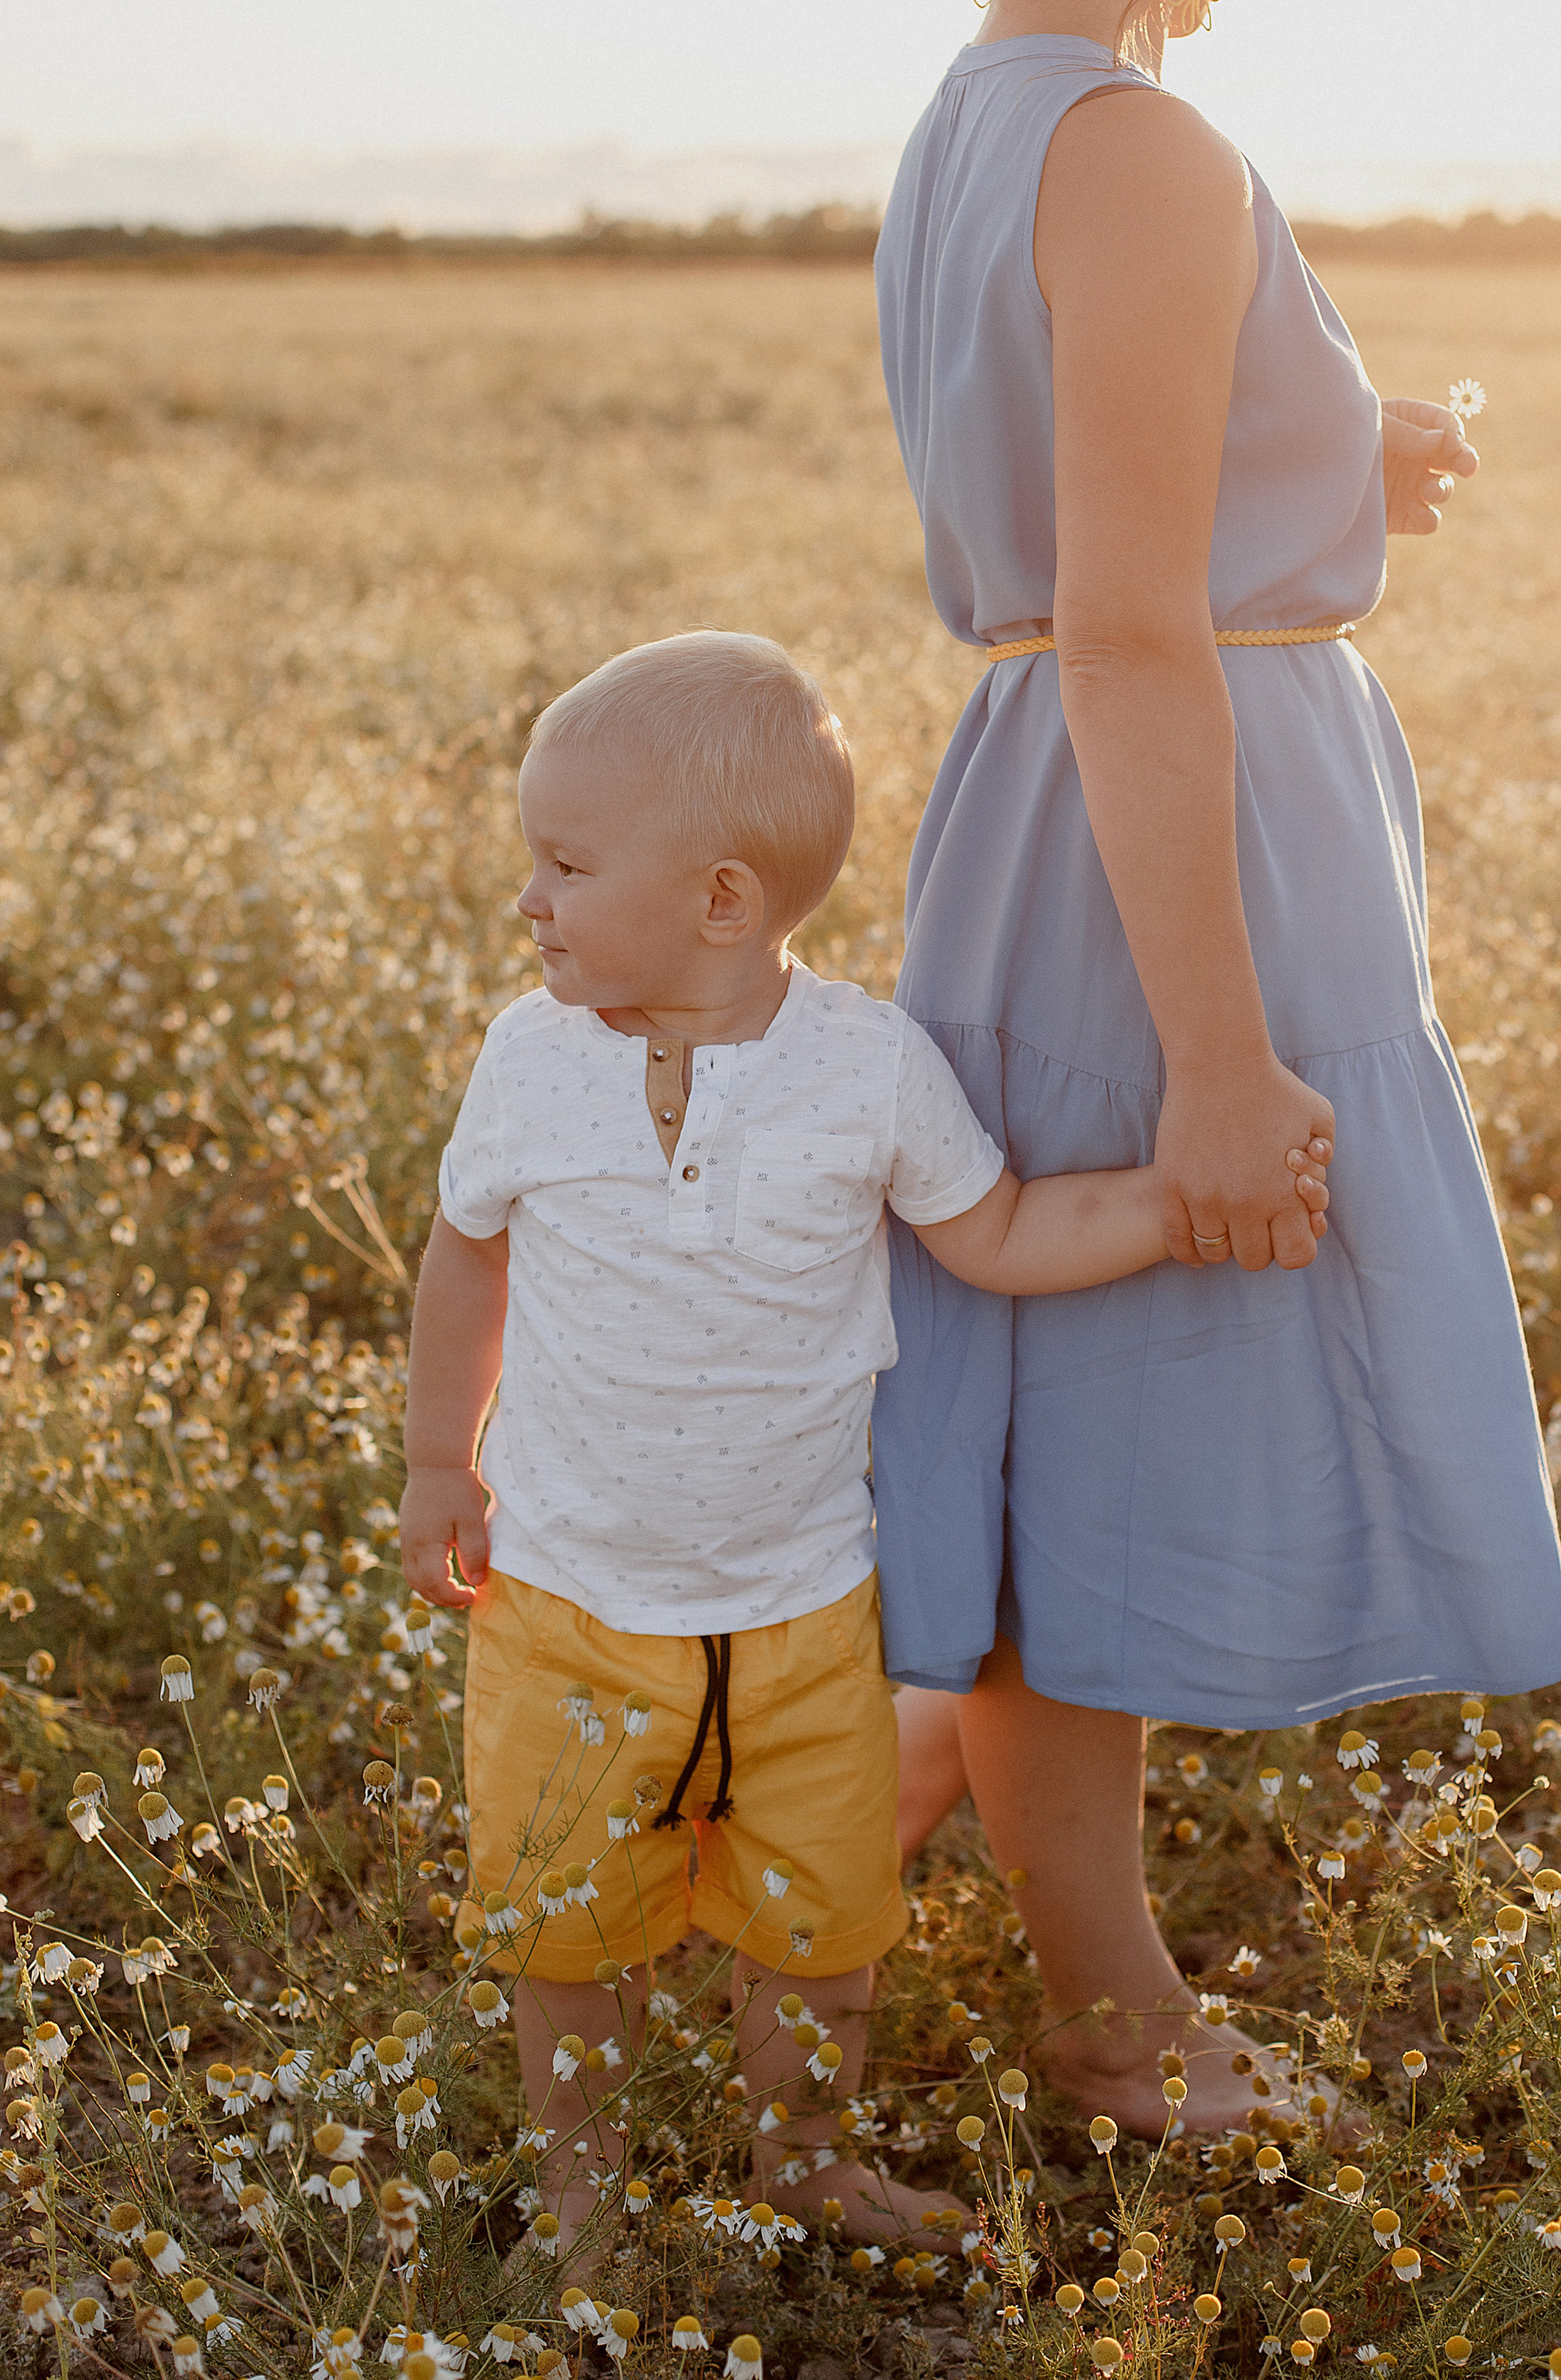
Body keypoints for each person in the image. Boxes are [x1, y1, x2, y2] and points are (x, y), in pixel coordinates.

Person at [871, 0, 1561, 2140]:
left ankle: (1075, 1961)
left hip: (1044, 800)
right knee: (1128, 1386)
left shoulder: (981, 116)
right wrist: (1218, 1063)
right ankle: (1114, 2023)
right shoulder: (1145, 141)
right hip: (1152, 831)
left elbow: (1095, 526)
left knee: (1071, 1409)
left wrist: (1344, 447)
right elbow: (1145, 632)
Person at [396, 629, 1325, 2247]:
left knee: (821, 1927)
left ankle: (803, 2166)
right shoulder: (527, 1059)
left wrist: (1176, 1209)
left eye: (561, 865)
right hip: (565, 1599)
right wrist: (433, 1459)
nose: (527, 901)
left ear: (724, 901)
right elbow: (466, 1252)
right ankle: (581, 2196)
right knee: (565, 1934)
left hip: (803, 1606)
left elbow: (1002, 1230)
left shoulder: (867, 1069)